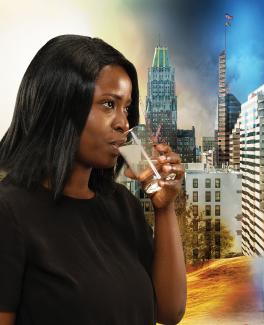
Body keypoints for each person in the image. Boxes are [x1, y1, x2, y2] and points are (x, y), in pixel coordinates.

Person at [0, 35, 186, 325]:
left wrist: (165, 208)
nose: (123, 122)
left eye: (126, 107)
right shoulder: (9, 212)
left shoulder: (122, 205)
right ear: (61, 106)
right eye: (108, 104)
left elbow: (169, 311)